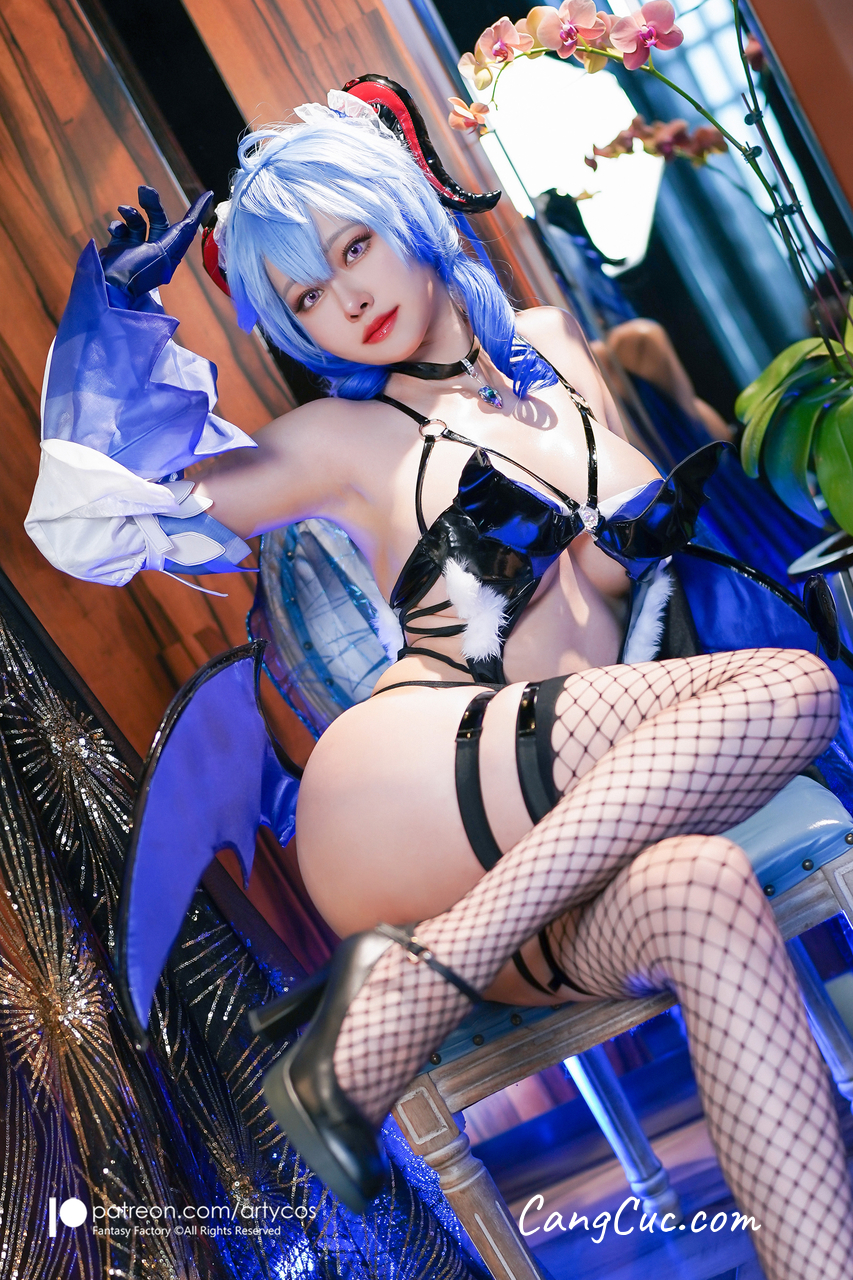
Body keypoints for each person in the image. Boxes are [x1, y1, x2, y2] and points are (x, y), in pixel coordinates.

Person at [25, 82, 853, 1280]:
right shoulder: (343, 442)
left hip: (544, 847)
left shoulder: (555, 350)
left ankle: (394, 1011)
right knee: (790, 691)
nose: (344, 297)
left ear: (401, 206)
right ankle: (415, 981)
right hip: (406, 787)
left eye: (352, 246)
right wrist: (110, 334)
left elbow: (615, 595)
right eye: (304, 295)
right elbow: (95, 528)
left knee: (703, 884)